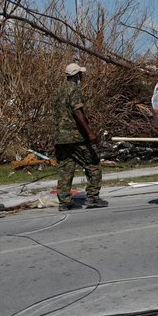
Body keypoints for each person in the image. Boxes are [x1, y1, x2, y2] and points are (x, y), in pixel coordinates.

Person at [53, 63, 107, 211]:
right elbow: (77, 112)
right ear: (76, 75)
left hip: (60, 137)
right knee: (94, 163)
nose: (82, 76)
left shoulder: (60, 90)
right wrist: (89, 132)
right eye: (80, 74)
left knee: (66, 168)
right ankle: (92, 197)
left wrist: (87, 116)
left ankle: (65, 201)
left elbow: (67, 112)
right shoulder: (74, 89)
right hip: (75, 137)